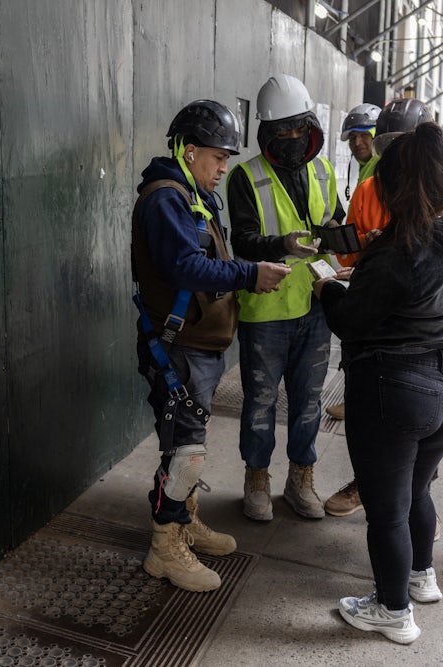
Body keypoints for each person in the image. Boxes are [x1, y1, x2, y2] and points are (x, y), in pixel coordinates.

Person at [313, 122, 443, 644]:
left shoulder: (400, 249)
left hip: (394, 386)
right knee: (415, 490)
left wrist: (328, 289)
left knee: (385, 509)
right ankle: (420, 578)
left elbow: (351, 320)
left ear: (400, 185)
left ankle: (393, 612)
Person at [132, 99, 293, 592]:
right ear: (187, 149)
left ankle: (183, 523)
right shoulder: (166, 200)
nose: (224, 167)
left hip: (198, 345)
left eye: (227, 158)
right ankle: (164, 549)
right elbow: (184, 267)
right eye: (218, 157)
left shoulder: (195, 195)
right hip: (177, 349)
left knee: (188, 444)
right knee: (186, 452)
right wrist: (250, 274)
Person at [323, 98, 443, 522]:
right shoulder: (370, 189)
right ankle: (418, 568)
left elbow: (442, 270)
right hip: (435, 369)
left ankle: (396, 579)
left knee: (393, 507)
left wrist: (394, 256)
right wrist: (374, 254)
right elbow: (359, 254)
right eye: (389, 144)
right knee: (407, 489)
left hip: (399, 365)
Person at [227, 74, 346, 521]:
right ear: (267, 134)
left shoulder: (323, 169)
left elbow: (330, 222)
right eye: (284, 133)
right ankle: (256, 478)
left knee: (308, 401)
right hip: (268, 310)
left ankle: (302, 478)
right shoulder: (245, 176)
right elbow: (242, 242)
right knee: (260, 401)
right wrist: (283, 245)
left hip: (316, 303)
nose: (294, 140)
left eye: (301, 130)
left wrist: (335, 237)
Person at [323, 102, 381, 423]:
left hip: (371, 266)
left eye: (364, 136)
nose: (358, 143)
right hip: (363, 264)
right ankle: (355, 397)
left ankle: (356, 400)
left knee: (360, 338)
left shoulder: (379, 170)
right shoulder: (367, 169)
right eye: (353, 138)